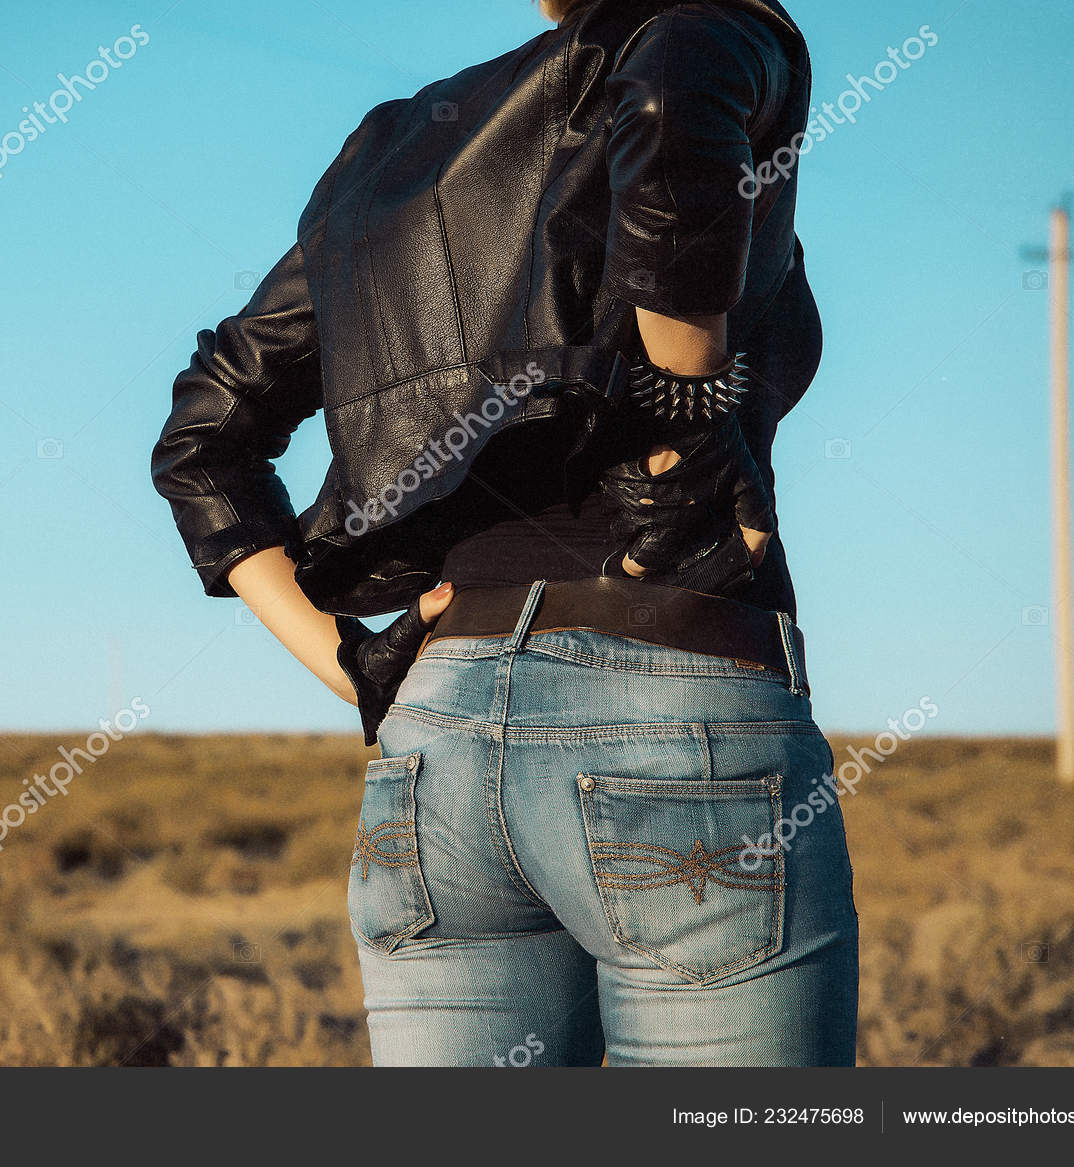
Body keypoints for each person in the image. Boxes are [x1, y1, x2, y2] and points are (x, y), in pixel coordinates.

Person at [152, 0, 858, 1066]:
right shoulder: (708, 26)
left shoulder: (395, 153)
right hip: (673, 716)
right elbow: (669, 116)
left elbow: (205, 430)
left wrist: (348, 666)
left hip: (434, 745)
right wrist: (687, 411)